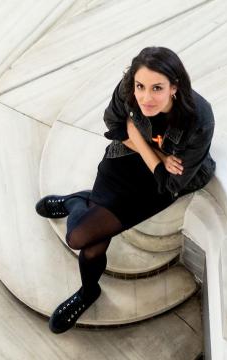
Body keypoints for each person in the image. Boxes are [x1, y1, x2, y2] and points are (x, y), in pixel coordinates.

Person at [35, 46, 216, 334]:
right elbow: (114, 125)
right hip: (126, 159)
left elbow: (171, 181)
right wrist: (154, 152)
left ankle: (76, 204)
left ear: (174, 87)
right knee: (86, 240)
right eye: (140, 86)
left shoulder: (198, 118)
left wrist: (137, 135)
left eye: (157, 88)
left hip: (156, 186)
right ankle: (89, 290)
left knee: (79, 236)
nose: (145, 97)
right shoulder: (127, 90)